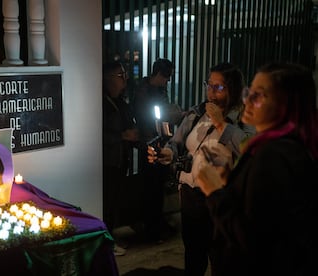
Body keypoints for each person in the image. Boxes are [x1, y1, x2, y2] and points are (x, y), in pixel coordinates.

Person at [195, 62, 318, 276]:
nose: (248, 100)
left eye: (259, 95)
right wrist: (231, 183)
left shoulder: (273, 155)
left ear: (285, 104)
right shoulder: (287, 148)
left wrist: (215, 192)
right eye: (249, 92)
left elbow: (252, 239)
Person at [148, 62, 255, 275]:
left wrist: (221, 123)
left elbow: (249, 152)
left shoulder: (243, 119)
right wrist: (166, 153)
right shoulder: (197, 113)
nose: (212, 92)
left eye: (219, 87)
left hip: (221, 198)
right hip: (190, 194)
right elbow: (177, 143)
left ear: (233, 89)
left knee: (222, 258)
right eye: (209, 85)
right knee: (193, 256)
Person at [132, 58, 185, 243]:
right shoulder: (142, 92)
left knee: (158, 186)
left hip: (162, 141)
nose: (168, 81)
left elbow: (163, 116)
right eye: (167, 77)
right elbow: (147, 118)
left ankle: (157, 223)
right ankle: (151, 229)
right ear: (159, 74)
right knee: (150, 189)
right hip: (149, 144)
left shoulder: (160, 90)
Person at [103, 60, 139, 256]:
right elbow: (97, 134)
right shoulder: (101, 103)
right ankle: (106, 243)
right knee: (107, 203)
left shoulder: (119, 101)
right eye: (120, 75)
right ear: (107, 78)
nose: (125, 79)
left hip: (120, 159)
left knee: (114, 202)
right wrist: (123, 136)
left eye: (125, 74)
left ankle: (110, 237)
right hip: (107, 162)